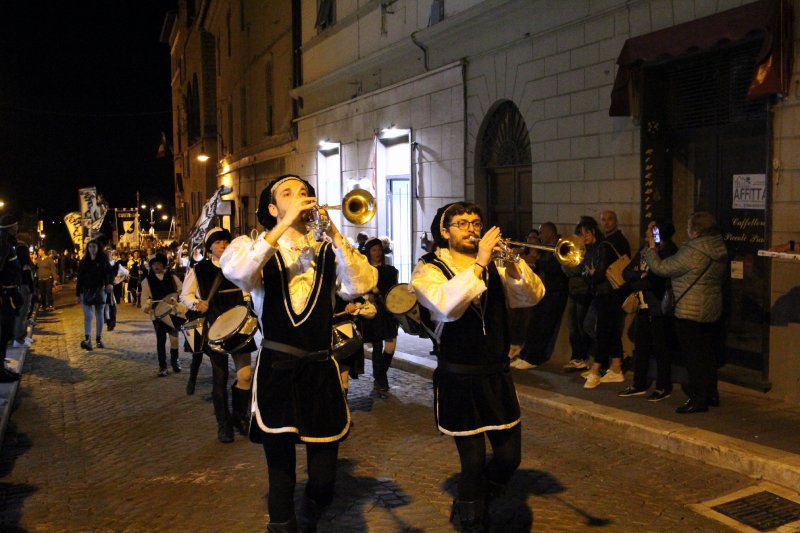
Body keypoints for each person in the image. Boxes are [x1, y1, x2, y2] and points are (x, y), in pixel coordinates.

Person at [220, 174, 377, 531]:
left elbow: (361, 285)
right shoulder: (252, 247)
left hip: (320, 369)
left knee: (324, 477)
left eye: (304, 192)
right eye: (288, 194)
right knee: (281, 472)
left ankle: (313, 506)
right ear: (273, 208)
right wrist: (281, 228)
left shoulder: (328, 249)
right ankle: (282, 524)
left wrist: (335, 235)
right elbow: (239, 273)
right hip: (277, 369)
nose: (300, 197)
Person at [409, 202, 544, 531]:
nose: (471, 229)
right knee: (472, 462)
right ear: (445, 232)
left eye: (476, 223)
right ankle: (473, 520)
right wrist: (481, 262)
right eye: (462, 223)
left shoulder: (495, 264)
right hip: (459, 378)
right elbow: (446, 306)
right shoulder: (428, 268)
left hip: (496, 376)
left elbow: (531, 296)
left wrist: (513, 263)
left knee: (509, 458)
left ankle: (476, 499)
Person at [644, 212, 728, 413]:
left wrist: (651, 248)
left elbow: (662, 268)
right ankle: (711, 393)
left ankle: (698, 399)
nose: (687, 231)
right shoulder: (718, 247)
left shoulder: (693, 250)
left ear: (696, 231)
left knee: (693, 356)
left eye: (689, 227)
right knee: (707, 354)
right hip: (710, 308)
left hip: (689, 309)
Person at [181, 227, 256, 443]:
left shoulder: (238, 265)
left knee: (245, 376)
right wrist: (197, 303)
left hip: (240, 325)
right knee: (220, 379)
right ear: (209, 248)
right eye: (217, 242)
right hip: (215, 327)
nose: (223, 245)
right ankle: (224, 425)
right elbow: (185, 295)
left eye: (225, 241)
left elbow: (250, 289)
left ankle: (239, 417)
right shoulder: (200, 269)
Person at [618, 220, 678, 401]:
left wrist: (640, 280)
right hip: (643, 306)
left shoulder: (668, 251)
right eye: (649, 229)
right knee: (641, 346)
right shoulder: (645, 249)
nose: (648, 232)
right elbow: (626, 272)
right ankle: (639, 383)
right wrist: (639, 275)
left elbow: (656, 279)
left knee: (661, 348)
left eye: (652, 229)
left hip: (658, 307)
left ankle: (663, 386)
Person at [578, 217, 626, 389]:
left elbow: (598, 275)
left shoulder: (603, 247)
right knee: (610, 330)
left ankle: (596, 370)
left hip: (609, 294)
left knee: (603, 331)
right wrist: (590, 273)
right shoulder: (591, 250)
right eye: (581, 234)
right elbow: (585, 274)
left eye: (586, 233)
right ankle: (616, 367)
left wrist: (591, 273)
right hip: (601, 294)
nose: (584, 236)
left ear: (593, 232)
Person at [512, 222, 569, 370]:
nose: (540, 236)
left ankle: (534, 358)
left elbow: (557, 269)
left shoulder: (561, 246)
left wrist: (536, 261)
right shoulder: (544, 248)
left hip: (555, 292)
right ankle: (525, 355)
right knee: (534, 324)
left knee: (544, 327)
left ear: (550, 232)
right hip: (544, 291)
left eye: (542, 233)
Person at [361, 237, 399, 398]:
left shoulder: (390, 270)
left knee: (390, 346)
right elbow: (360, 291)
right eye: (374, 250)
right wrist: (368, 296)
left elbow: (395, 290)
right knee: (377, 346)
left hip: (388, 311)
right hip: (374, 312)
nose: (377, 253)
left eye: (379, 249)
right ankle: (381, 380)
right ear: (369, 252)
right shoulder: (364, 271)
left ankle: (379, 374)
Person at [140, 253, 183, 377]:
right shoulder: (147, 281)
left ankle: (175, 361)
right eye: (154, 264)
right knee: (161, 340)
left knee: (174, 339)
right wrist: (147, 305)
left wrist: (177, 298)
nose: (156, 266)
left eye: (158, 263)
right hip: (157, 314)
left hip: (172, 312)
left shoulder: (172, 277)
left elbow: (181, 290)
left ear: (163, 264)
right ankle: (162, 366)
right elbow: (144, 299)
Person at [76, 240, 113, 351]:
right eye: (90, 246)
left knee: (99, 313)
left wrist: (109, 283)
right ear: (87, 248)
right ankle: (87, 339)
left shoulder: (103, 260)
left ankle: (98, 338)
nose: (92, 249)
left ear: (98, 248)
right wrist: (78, 293)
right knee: (88, 316)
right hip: (87, 291)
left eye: (94, 246)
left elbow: (109, 273)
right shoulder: (84, 261)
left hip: (100, 290)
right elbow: (80, 278)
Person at [0, 215, 24, 383]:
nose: (17, 230)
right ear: (10, 228)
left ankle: (1, 367)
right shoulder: (3, 244)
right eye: (15, 227)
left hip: (9, 294)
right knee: (3, 333)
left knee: (6, 333)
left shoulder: (8, 243)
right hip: (5, 296)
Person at [12, 242, 35, 348]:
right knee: (22, 314)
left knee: (23, 314)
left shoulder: (18, 265)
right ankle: (18, 338)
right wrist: (32, 290)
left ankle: (22, 336)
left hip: (23, 290)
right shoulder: (24, 266)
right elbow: (27, 281)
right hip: (24, 290)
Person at [105, 248, 129, 331]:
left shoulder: (116, 264)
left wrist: (119, 279)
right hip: (105, 287)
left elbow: (126, 272)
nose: (108, 255)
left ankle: (112, 321)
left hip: (114, 287)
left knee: (112, 305)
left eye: (110, 253)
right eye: (107, 253)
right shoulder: (102, 264)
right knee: (106, 305)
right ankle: (108, 322)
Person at [35, 247, 57, 312]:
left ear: (43, 251)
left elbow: (53, 269)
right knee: (42, 293)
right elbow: (34, 267)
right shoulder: (38, 259)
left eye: (39, 251)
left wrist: (55, 279)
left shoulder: (49, 259)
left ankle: (50, 305)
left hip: (48, 278)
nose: (38, 252)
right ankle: (43, 305)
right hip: (40, 279)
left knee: (49, 292)